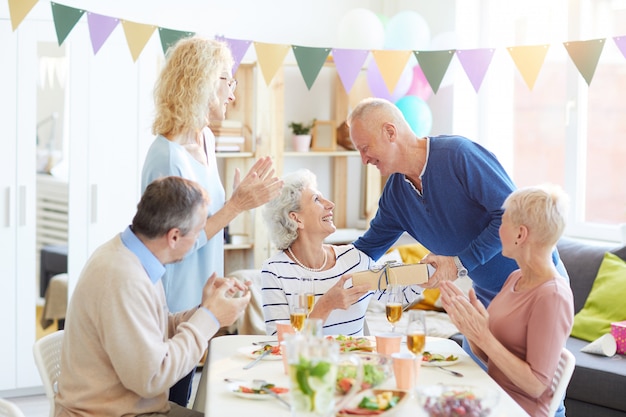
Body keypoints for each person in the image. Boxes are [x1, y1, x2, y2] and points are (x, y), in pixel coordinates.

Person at [141, 36, 282, 405]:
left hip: (202, 297)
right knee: (170, 401)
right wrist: (236, 205)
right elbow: (171, 244)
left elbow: (209, 221)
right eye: (227, 81)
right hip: (172, 305)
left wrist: (239, 202)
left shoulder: (206, 139)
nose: (232, 94)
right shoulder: (166, 156)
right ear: (202, 81)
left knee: (190, 396)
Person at [55, 176, 252, 417]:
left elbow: (152, 330)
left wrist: (205, 308)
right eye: (199, 231)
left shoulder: (133, 258)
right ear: (174, 237)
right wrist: (210, 318)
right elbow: (153, 377)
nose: (199, 238)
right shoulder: (123, 277)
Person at [439, 184, 574, 417]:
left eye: (503, 223)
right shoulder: (515, 278)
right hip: (492, 400)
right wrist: (470, 329)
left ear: (520, 234)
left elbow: (536, 385)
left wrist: (484, 336)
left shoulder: (552, 295)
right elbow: (494, 359)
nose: (498, 230)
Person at [261, 169, 421, 336]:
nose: (330, 204)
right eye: (317, 200)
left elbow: (396, 297)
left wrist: (425, 277)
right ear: (296, 218)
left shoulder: (354, 258)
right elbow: (279, 343)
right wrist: (325, 305)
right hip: (308, 362)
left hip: (356, 360)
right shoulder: (275, 271)